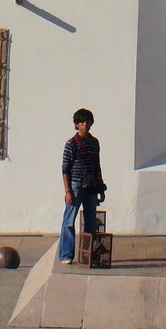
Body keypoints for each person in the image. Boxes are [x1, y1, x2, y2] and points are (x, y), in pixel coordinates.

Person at [59, 108, 105, 264]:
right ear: (76, 124)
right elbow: (65, 169)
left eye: (88, 122)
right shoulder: (71, 144)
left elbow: (97, 165)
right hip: (75, 185)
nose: (85, 125)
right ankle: (66, 254)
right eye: (82, 122)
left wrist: (100, 186)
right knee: (69, 220)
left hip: (91, 186)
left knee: (91, 221)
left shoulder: (95, 143)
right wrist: (68, 191)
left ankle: (87, 254)